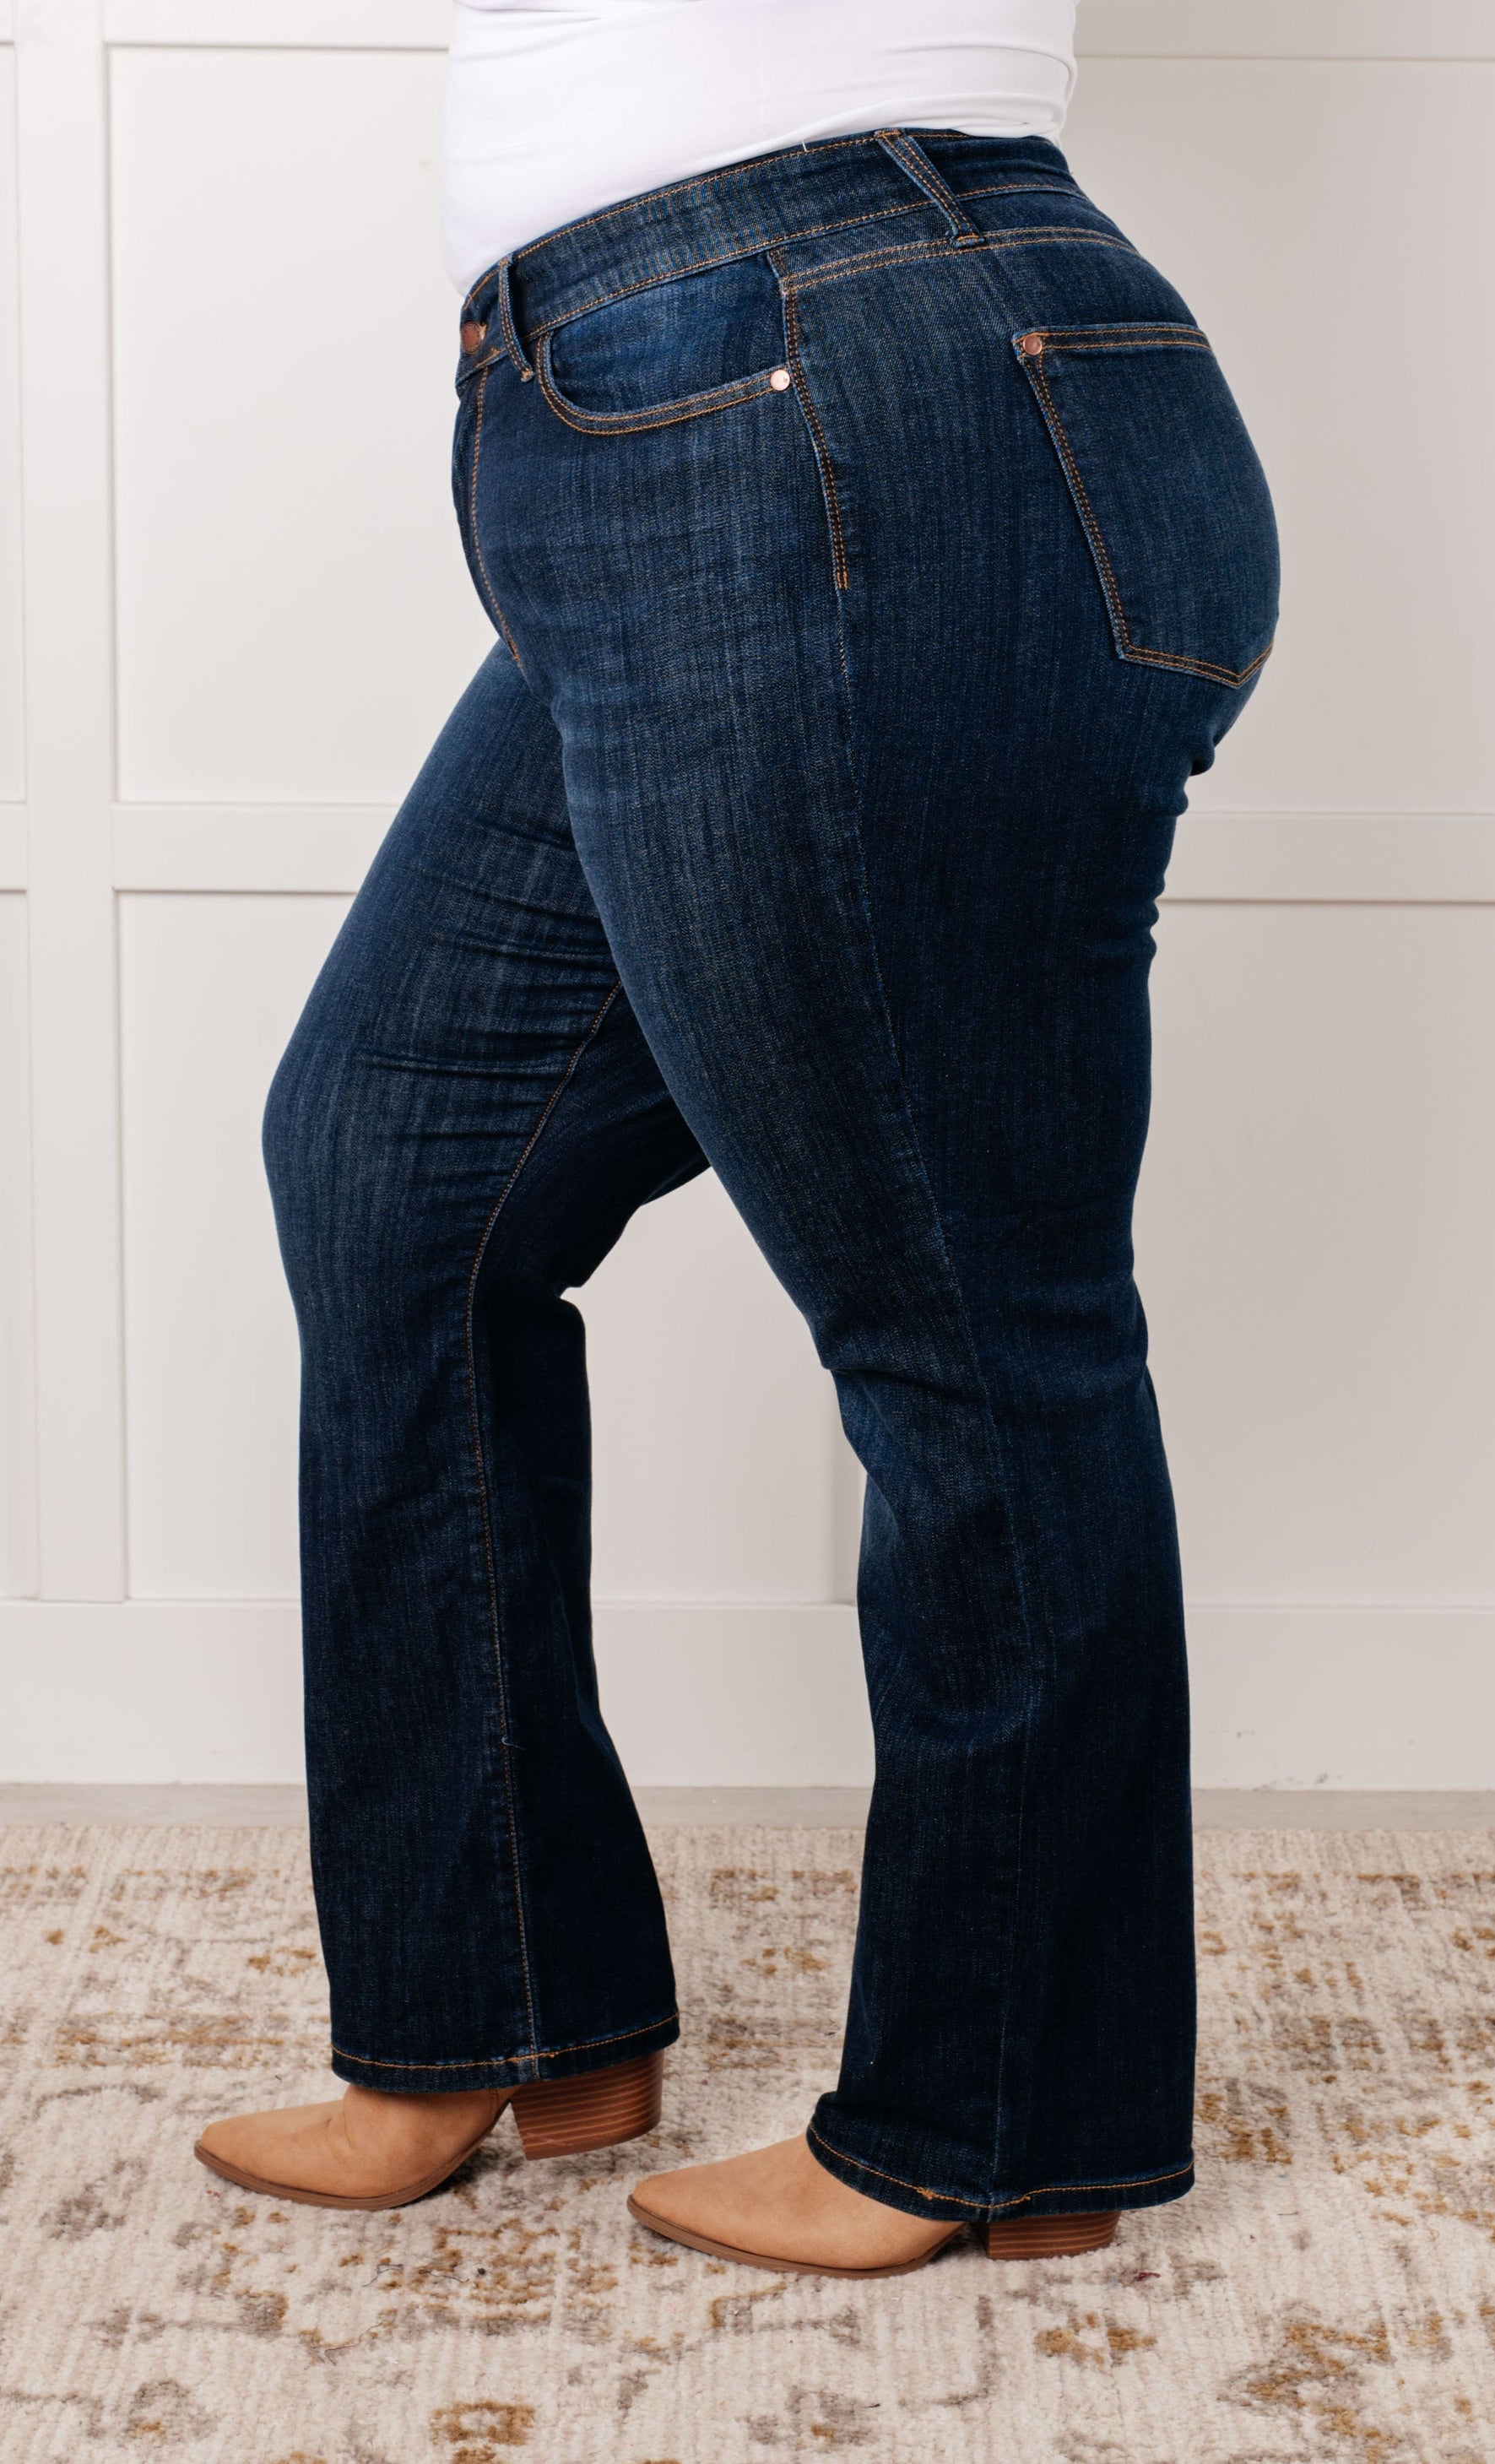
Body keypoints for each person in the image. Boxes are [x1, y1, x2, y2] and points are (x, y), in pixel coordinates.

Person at [195, 0, 1278, 2277]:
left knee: (964, 1314)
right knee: (398, 1166)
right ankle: (498, 2011)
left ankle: (999, 2124)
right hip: (694, 417)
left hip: (831, 384)